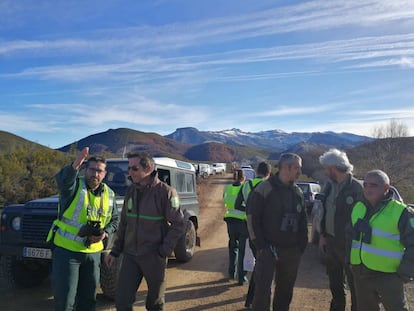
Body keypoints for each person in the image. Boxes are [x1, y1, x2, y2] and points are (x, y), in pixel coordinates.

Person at [105, 151, 185, 311]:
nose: (130, 172)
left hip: (154, 257)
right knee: (122, 302)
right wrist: (115, 251)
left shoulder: (166, 192)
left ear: (147, 168)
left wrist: (163, 251)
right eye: (129, 168)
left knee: (155, 304)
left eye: (134, 168)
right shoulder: (131, 191)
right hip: (130, 256)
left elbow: (179, 224)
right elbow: (124, 224)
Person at [47, 147, 119, 311]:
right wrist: (74, 166)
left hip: (93, 254)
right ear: (85, 170)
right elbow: (64, 182)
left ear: (105, 174)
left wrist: (105, 233)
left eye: (100, 171)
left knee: (88, 301)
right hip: (67, 252)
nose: (95, 174)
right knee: (66, 302)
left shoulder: (110, 194)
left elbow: (115, 219)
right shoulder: (73, 188)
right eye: (92, 170)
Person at [247, 153, 308, 310]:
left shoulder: (297, 192)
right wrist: (261, 246)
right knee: (262, 292)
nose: (299, 171)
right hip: (268, 250)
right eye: (297, 168)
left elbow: (303, 221)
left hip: (291, 251)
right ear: (286, 167)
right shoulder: (264, 188)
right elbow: (252, 218)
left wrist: (301, 246)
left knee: (285, 292)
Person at [348, 170, 414, 311]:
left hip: (389, 276)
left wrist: (404, 273)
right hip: (361, 274)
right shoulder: (358, 208)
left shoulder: (401, 212)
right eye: (365, 185)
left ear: (386, 188)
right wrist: (350, 261)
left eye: (373, 185)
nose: (368, 189)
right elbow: (350, 238)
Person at [318, 148, 363, 311]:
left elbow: (363, 220)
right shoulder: (328, 186)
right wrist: (322, 235)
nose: (324, 171)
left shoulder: (358, 188)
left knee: (356, 288)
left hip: (350, 246)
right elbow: (322, 211)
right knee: (335, 286)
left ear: (333, 168)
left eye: (326, 168)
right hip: (330, 243)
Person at [234, 161, 271, 308]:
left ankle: (242, 280)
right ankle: (253, 299)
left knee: (245, 254)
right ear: (268, 173)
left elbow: (237, 205)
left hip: (247, 226)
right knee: (261, 265)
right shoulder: (269, 187)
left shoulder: (246, 185)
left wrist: (249, 212)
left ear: (256, 172)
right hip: (264, 229)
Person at [223, 168, 248, 285]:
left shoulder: (228, 188)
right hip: (242, 221)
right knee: (242, 250)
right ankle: (241, 278)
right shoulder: (244, 188)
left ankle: (231, 272)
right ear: (244, 177)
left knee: (232, 247)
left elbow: (224, 201)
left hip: (230, 220)